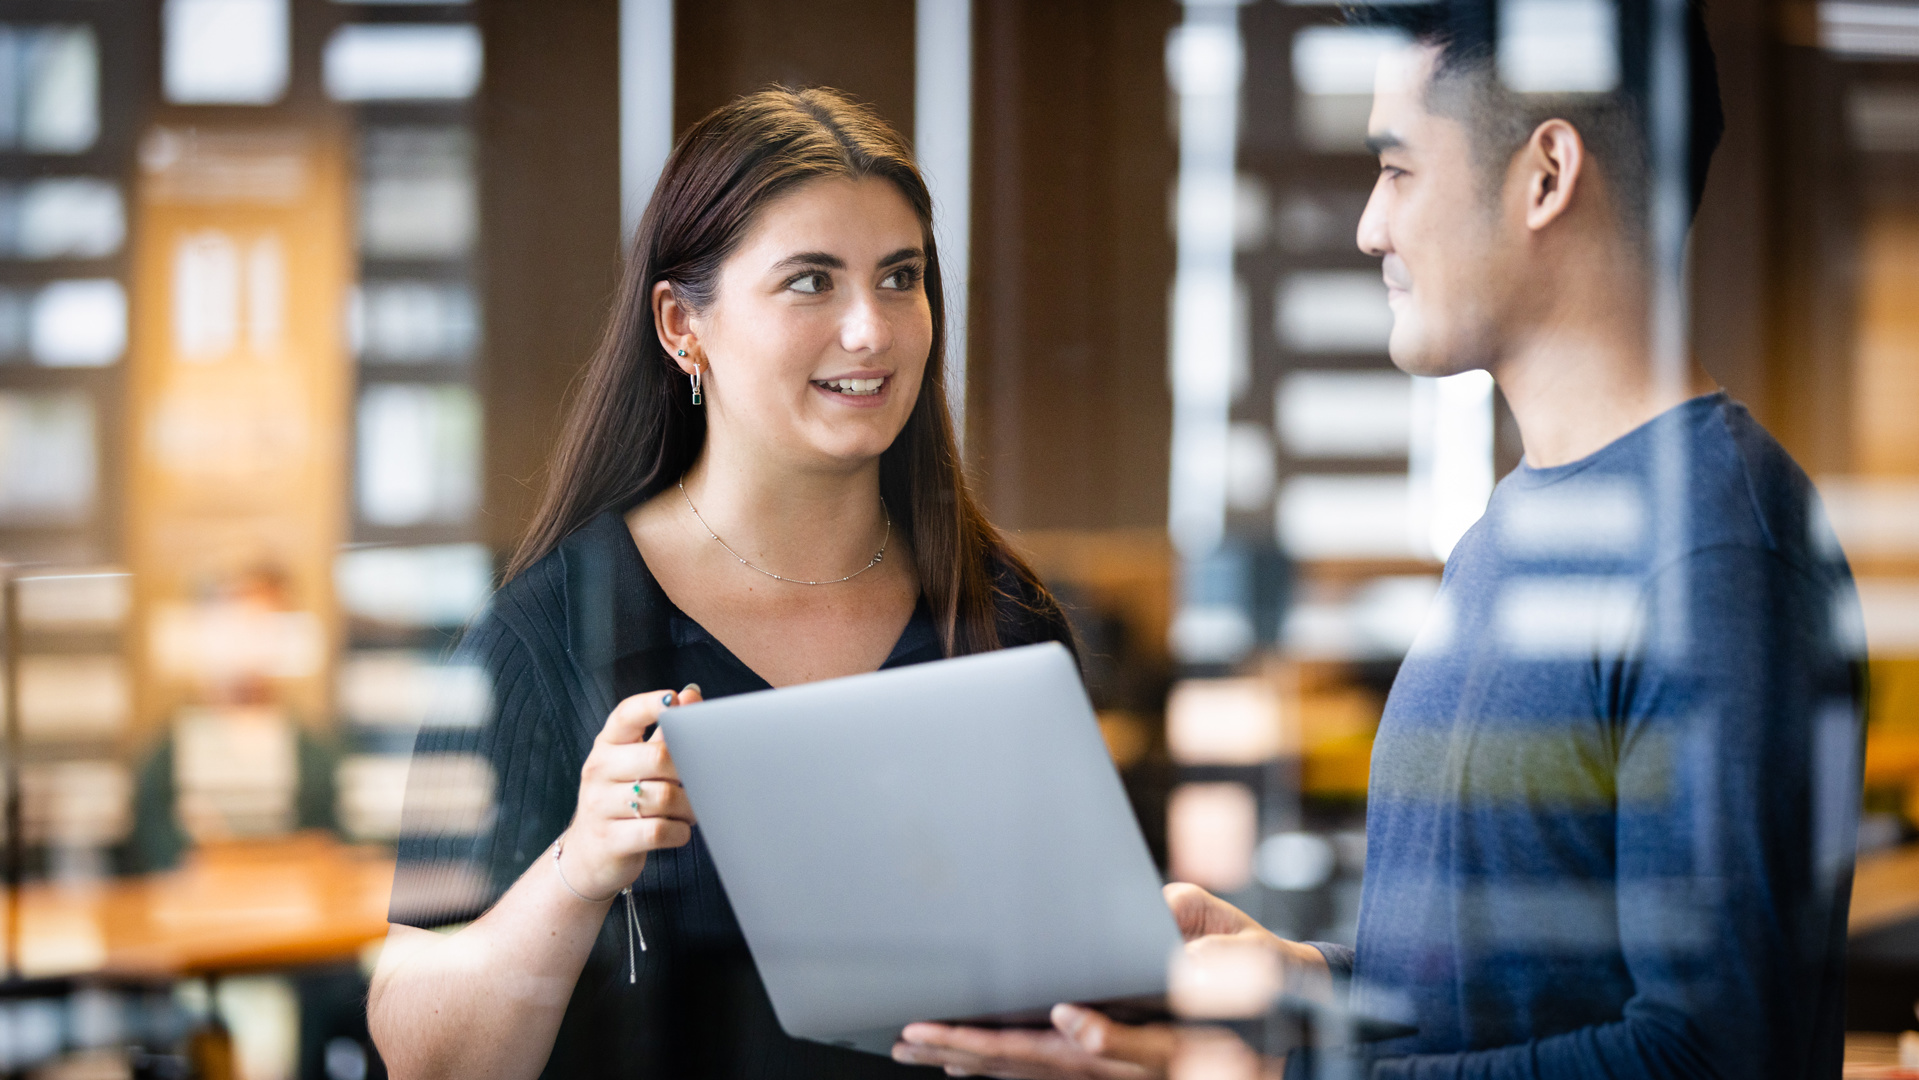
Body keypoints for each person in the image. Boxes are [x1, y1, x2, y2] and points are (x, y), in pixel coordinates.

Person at [895, 6, 1866, 1079]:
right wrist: (1298, 976)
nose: (1367, 226)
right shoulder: (1522, 530)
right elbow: (1508, 997)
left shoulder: (1716, 551)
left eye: (1397, 169)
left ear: (1544, 174)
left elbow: (1713, 1056)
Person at [365, 86, 1074, 1080]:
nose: (870, 329)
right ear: (679, 326)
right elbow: (423, 1057)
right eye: (809, 283)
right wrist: (575, 871)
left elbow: (1094, 985)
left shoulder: (999, 620)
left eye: (899, 277)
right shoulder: (552, 634)